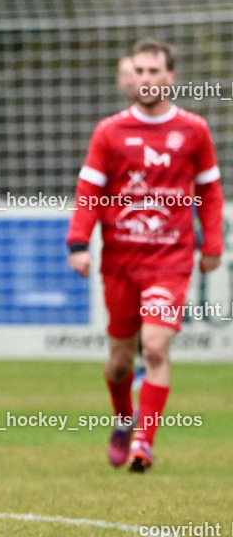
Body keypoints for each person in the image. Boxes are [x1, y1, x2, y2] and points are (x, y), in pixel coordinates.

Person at [67, 39, 224, 472]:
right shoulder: (109, 131)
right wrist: (78, 244)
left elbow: (210, 193)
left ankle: (144, 443)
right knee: (119, 362)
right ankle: (123, 420)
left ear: (170, 76)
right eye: (140, 70)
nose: (147, 78)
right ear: (130, 75)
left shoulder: (193, 129)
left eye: (155, 71)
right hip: (119, 261)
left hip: (170, 260)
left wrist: (212, 244)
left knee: (155, 348)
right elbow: (89, 193)